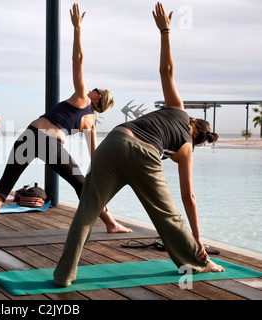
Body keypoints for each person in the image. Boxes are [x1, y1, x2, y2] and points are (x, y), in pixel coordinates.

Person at [53, 2, 225, 287]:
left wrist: (165, 31)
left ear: (192, 121)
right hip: (143, 154)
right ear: (195, 137)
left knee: (86, 212)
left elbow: (166, 71)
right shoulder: (185, 151)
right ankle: (199, 261)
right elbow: (188, 199)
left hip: (114, 142)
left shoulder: (178, 109)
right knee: (166, 217)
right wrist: (197, 238)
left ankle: (64, 275)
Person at [0, 3, 130, 243]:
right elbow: (94, 153)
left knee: (4, 186)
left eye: (97, 88)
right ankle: (111, 224)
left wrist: (77, 30)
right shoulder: (91, 122)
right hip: (50, 145)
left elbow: (78, 61)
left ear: (96, 96)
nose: (93, 88)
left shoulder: (81, 99)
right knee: (83, 185)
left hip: (30, 136)